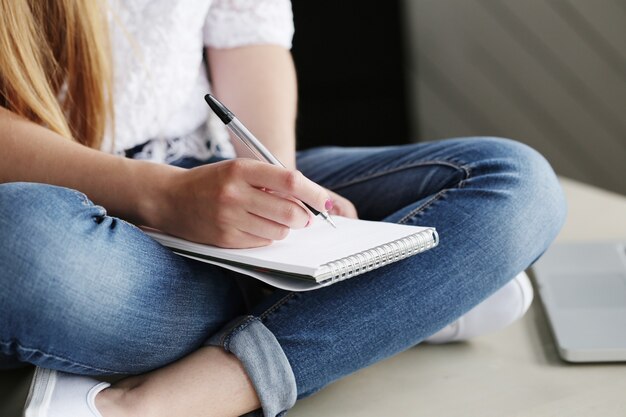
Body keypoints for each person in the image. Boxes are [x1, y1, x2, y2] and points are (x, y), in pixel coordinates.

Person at [0, 1, 566, 416]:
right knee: (21, 250)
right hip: (68, 201)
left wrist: (277, 196)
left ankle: (157, 405)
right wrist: (161, 197)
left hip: (207, 170)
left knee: (516, 182)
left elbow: (250, 37)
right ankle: (398, 303)